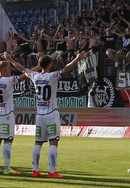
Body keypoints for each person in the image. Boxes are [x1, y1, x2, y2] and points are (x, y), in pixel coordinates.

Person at [25, 50, 88, 178]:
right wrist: (76, 59)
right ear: (49, 64)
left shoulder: (34, 76)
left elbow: (22, 68)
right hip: (51, 113)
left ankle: (35, 170)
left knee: (38, 142)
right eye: (52, 62)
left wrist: (10, 60)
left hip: (40, 115)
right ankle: (52, 171)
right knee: (53, 142)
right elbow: (66, 69)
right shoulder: (52, 76)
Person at [0, 52, 27, 175]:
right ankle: (7, 168)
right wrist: (12, 60)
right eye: (9, 68)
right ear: (6, 69)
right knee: (8, 141)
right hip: (7, 114)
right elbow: (26, 75)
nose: (11, 71)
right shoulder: (9, 80)